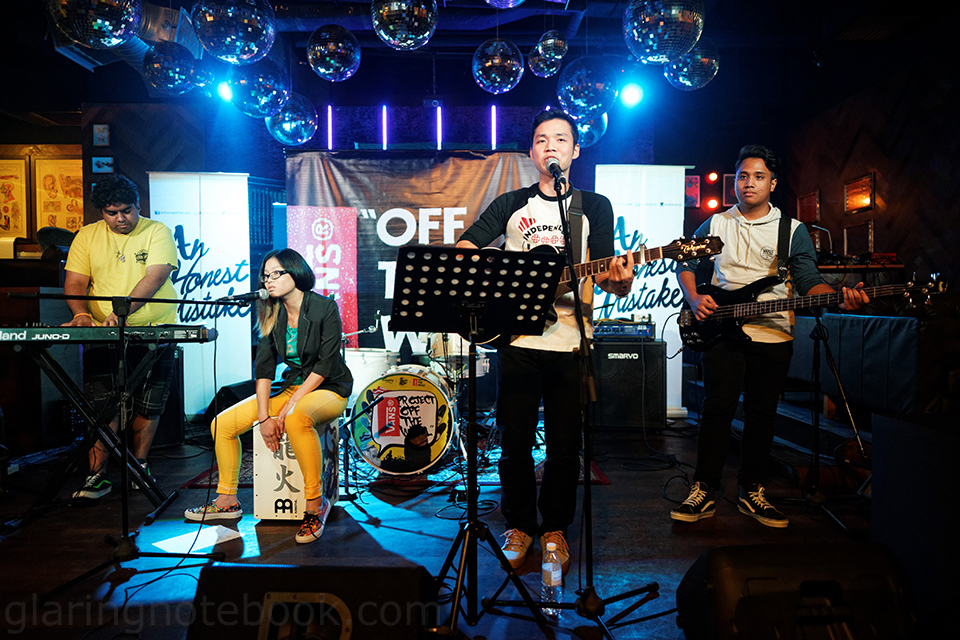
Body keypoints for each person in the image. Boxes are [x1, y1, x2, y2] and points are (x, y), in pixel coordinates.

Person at [455, 109, 635, 573]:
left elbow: (608, 274)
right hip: (517, 341)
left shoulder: (594, 206)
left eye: (560, 139)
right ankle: (519, 525)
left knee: (564, 446)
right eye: (541, 139)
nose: (550, 146)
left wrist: (620, 281)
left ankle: (555, 529)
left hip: (572, 344)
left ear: (575, 149)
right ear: (531, 152)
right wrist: (498, 283)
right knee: (514, 443)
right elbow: (465, 250)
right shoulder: (512, 204)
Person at [671, 144, 869, 528]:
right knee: (717, 410)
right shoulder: (715, 223)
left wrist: (836, 297)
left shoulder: (791, 230)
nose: (749, 183)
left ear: (772, 184)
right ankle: (704, 489)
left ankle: (752, 490)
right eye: (743, 176)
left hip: (773, 334)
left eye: (758, 177)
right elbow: (687, 263)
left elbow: (808, 282)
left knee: (762, 416)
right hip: (721, 331)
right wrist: (694, 297)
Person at [184, 249, 353, 544]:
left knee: (297, 418)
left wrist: (290, 405)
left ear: (295, 272)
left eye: (276, 273)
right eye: (265, 275)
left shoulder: (324, 307)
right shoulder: (271, 312)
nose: (269, 280)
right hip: (291, 386)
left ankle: (316, 504)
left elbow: (325, 365)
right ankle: (227, 500)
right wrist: (264, 417)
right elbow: (263, 369)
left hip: (329, 387)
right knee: (222, 425)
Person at [62, 174, 178, 499]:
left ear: (138, 205)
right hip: (103, 331)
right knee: (101, 405)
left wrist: (122, 311)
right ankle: (97, 475)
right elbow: (75, 282)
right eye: (111, 213)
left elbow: (155, 277)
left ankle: (139, 466)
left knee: (149, 403)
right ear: (102, 212)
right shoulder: (87, 236)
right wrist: (81, 314)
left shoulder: (157, 231)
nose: (120, 218)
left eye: (126, 210)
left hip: (154, 327)